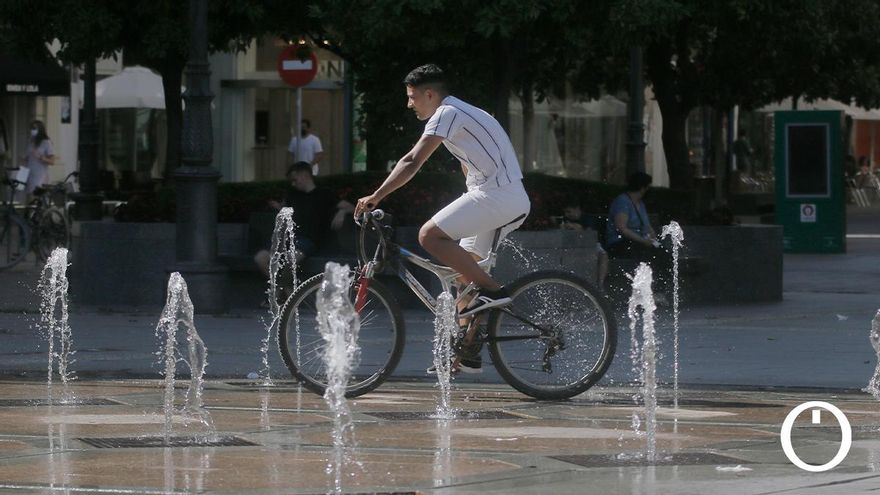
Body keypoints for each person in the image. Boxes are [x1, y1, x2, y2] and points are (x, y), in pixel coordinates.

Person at [353, 64, 530, 373]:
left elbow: (412, 160)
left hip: (499, 196)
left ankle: (493, 292)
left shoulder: (447, 113)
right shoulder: (462, 113)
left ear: (429, 94)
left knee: (429, 236)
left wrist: (376, 196)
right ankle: (468, 351)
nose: (409, 105)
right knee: (463, 273)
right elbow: (471, 165)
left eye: (412, 97)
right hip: (500, 196)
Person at [254, 161, 353, 283]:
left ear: (305, 175)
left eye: (295, 180)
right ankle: (284, 292)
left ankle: (285, 295)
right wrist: (278, 208)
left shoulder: (324, 194)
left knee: (290, 261)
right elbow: (286, 211)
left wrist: (341, 213)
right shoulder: (293, 195)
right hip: (288, 239)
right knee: (261, 258)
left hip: (308, 240)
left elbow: (349, 207)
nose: (293, 184)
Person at [605, 171, 671, 302]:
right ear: (643, 187)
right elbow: (622, 228)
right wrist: (643, 241)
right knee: (645, 255)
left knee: (664, 254)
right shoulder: (622, 202)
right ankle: (642, 293)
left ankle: (658, 291)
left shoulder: (640, 204)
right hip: (620, 243)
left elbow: (646, 225)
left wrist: (652, 237)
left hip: (639, 242)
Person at [558, 200, 609, 289]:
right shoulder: (565, 220)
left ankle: (600, 283)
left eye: (569, 211)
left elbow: (590, 235)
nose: (567, 214)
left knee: (603, 255)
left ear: (577, 209)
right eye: (565, 212)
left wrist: (577, 228)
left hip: (591, 245)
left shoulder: (588, 218)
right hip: (572, 247)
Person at [20, 120, 54, 201]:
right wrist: (24, 158)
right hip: (30, 173)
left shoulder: (47, 142)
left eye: (34, 128)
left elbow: (52, 161)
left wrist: (41, 157)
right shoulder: (31, 141)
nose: (32, 130)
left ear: (40, 129)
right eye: (31, 128)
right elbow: (30, 156)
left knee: (38, 197)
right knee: (30, 197)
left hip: (40, 175)